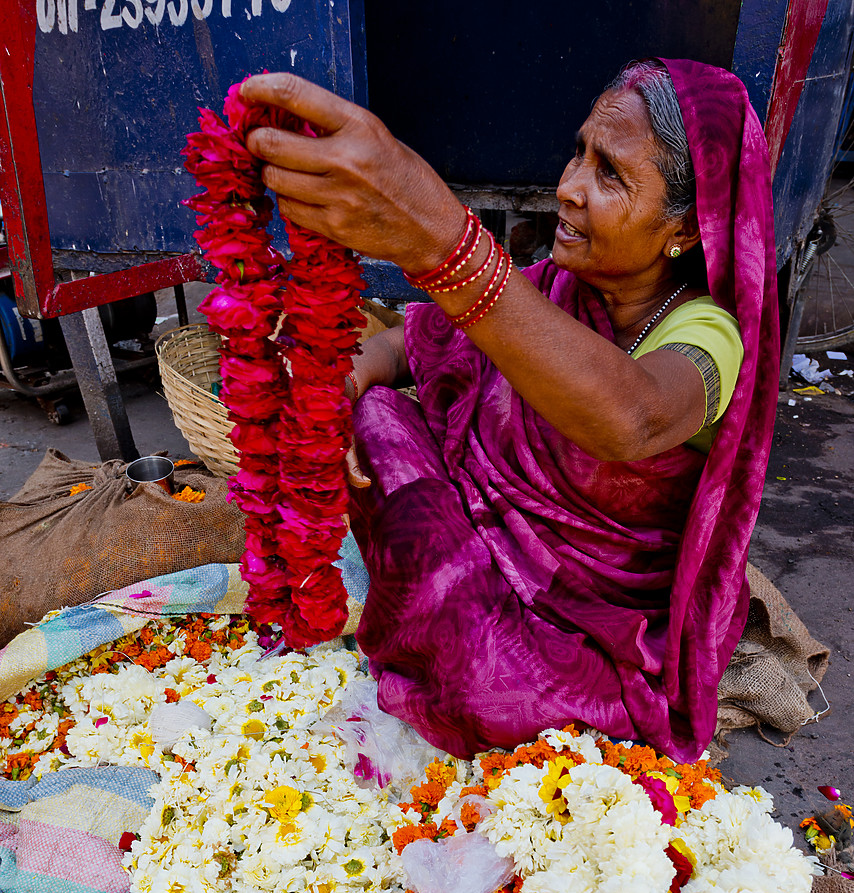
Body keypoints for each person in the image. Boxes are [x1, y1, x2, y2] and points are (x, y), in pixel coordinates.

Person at [241, 59, 779, 762]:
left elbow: (631, 418)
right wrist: (335, 394)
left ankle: (450, 636)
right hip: (482, 539)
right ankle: (441, 614)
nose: (568, 188)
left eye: (610, 174)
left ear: (684, 231)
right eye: (578, 153)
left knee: (494, 695)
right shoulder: (551, 287)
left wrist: (443, 244)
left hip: (597, 621)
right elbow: (406, 344)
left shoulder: (708, 334)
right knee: (376, 420)